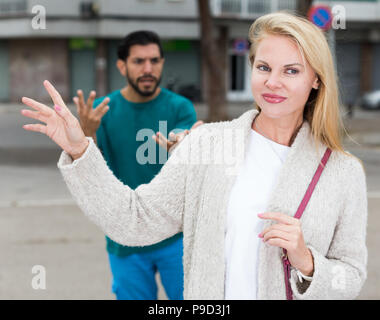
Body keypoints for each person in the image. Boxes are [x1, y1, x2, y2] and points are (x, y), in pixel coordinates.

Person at [21, 12, 368, 300]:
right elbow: (134, 220)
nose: (272, 82)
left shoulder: (343, 172)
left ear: (316, 81)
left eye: (291, 70)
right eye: (263, 67)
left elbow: (351, 276)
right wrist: (80, 148)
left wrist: (306, 262)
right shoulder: (207, 144)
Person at [70, 31, 200, 300]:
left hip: (176, 235)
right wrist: (87, 134)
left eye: (155, 60)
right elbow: (93, 172)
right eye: (139, 61)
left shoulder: (180, 107)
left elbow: (184, 137)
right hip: (124, 236)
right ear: (122, 66)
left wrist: (182, 143)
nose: (148, 69)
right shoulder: (102, 112)